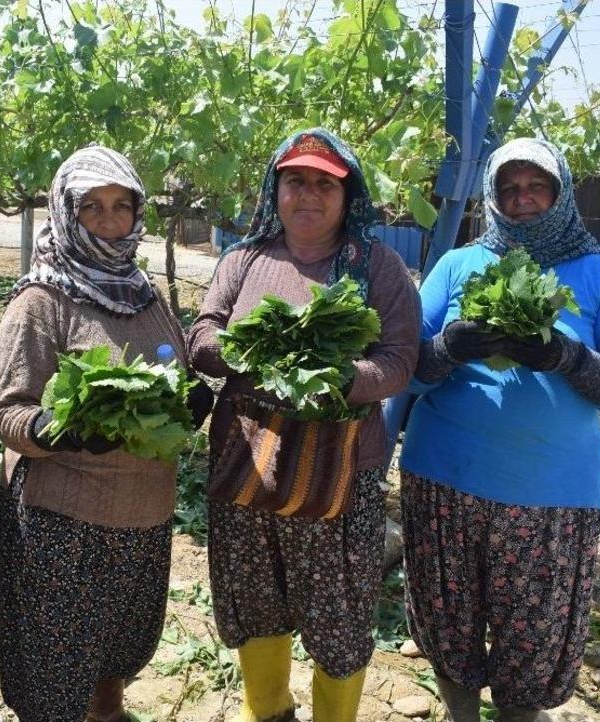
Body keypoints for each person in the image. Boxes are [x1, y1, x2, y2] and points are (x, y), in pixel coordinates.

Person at [399, 137, 600, 722]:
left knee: (533, 645)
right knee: (447, 625)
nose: (522, 198)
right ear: (492, 197)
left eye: (537, 185)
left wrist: (571, 358)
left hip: (552, 498)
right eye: (509, 187)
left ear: (560, 193)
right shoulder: (458, 264)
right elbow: (402, 370)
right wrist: (446, 350)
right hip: (444, 482)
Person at [186, 128, 421, 722]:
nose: (308, 194)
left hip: (340, 473)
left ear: (347, 194)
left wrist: (340, 378)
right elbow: (203, 335)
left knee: (337, 612)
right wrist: (250, 350)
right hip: (249, 464)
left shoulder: (378, 266)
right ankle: (267, 711)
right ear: (276, 190)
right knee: (255, 596)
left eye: (324, 183)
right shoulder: (244, 259)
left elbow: (400, 360)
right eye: (295, 180)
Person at [0, 145, 213, 722]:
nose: (110, 221)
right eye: (92, 207)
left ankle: (108, 713)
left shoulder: (145, 294)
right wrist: (59, 431)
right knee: (56, 668)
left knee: (120, 644)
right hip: (65, 523)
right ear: (68, 213)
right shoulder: (42, 301)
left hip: (145, 512)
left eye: (122, 205)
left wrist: (191, 399)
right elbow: (8, 412)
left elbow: (173, 372)